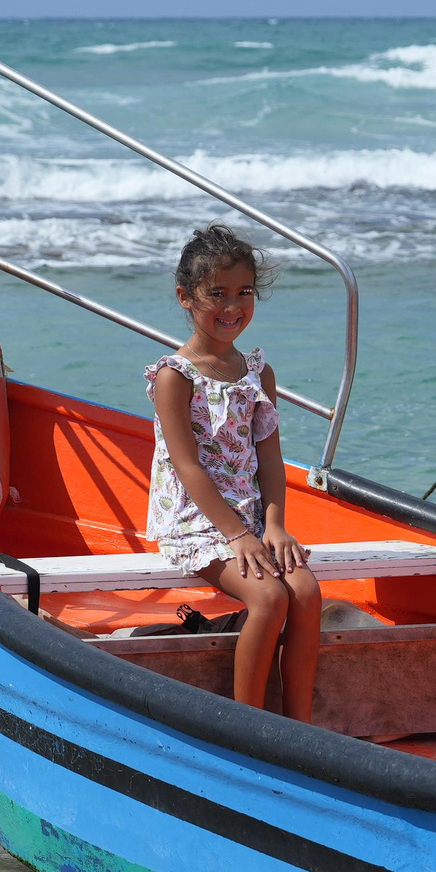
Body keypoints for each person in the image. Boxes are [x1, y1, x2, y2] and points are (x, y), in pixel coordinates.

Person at [144, 224, 322, 720]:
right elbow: (187, 466)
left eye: (244, 292)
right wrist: (238, 536)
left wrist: (274, 526)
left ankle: (301, 725)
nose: (232, 306)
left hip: (248, 518)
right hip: (198, 522)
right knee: (267, 597)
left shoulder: (256, 371)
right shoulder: (173, 377)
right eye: (216, 293)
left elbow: (268, 458)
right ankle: (251, 727)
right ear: (185, 297)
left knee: (305, 592)